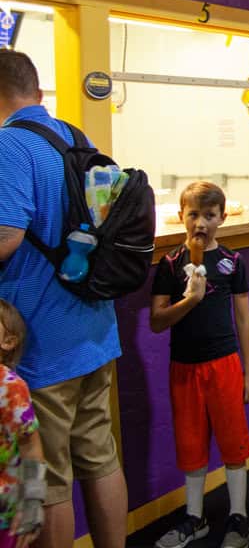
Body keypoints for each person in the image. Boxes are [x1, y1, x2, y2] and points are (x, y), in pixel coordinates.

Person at [0, 51, 128, 548]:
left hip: (42, 340)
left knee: (50, 477)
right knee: (99, 455)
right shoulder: (78, 137)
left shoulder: (9, 145)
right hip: (95, 327)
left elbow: (7, 237)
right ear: (38, 91)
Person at [150, 182, 249, 548]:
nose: (200, 223)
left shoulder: (232, 262)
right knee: (191, 444)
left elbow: (243, 319)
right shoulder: (169, 265)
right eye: (193, 214)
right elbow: (157, 321)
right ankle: (195, 517)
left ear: (222, 219)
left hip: (224, 364)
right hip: (184, 368)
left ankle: (238, 517)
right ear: (181, 217)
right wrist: (189, 301)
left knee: (233, 444)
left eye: (209, 216)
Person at [0, 301, 45, 548]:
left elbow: (30, 448)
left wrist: (32, 501)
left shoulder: (10, 388)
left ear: (8, 341)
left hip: (5, 513)